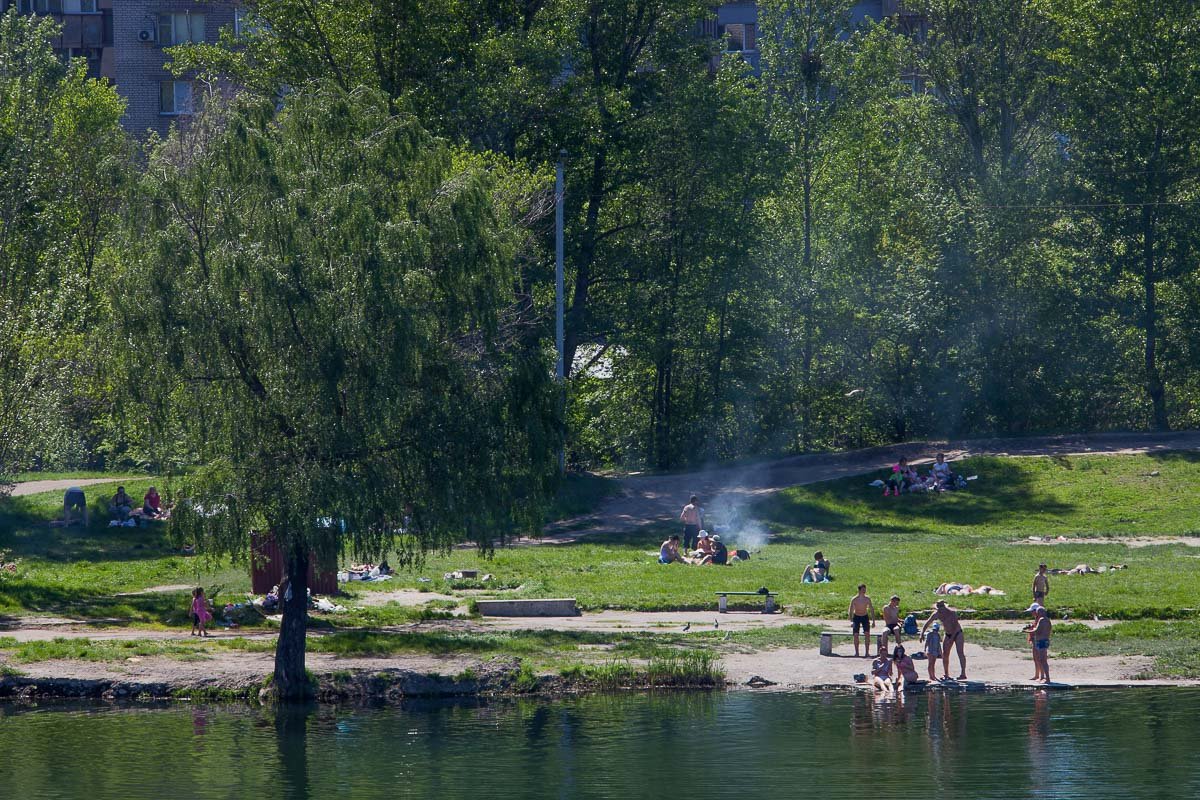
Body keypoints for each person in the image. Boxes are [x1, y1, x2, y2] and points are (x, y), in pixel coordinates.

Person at [921, 600, 967, 680]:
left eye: (941, 607)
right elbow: (928, 623)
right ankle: (946, 674)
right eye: (938, 607)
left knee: (960, 653)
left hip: (957, 633)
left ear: (944, 607)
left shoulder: (952, 613)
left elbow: (955, 627)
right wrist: (922, 633)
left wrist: (951, 639)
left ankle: (963, 673)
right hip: (948, 634)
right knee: (945, 654)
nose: (940, 609)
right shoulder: (936, 614)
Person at [1024, 603, 1052, 683]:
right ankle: (1043, 677)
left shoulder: (1042, 619)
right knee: (1041, 659)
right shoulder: (1047, 620)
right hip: (1044, 640)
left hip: (1042, 641)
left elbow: (1037, 630)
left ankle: (1046, 678)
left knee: (1042, 660)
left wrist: (1027, 631)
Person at [849, 584, 876, 657]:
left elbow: (871, 609)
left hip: (864, 616)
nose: (864, 591)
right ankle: (857, 652)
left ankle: (867, 652)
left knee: (867, 634)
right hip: (856, 617)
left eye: (865, 589)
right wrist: (851, 621)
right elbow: (851, 610)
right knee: (855, 635)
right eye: (863, 589)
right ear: (859, 590)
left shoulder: (867, 599)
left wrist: (873, 621)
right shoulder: (854, 599)